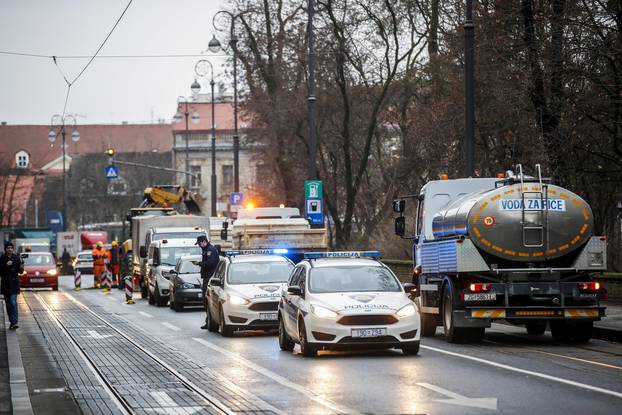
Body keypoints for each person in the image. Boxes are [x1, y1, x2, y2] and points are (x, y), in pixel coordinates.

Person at [193, 235, 219, 330]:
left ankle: (210, 321)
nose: (199, 245)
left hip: (209, 277)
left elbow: (211, 263)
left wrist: (199, 263)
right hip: (208, 277)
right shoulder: (207, 249)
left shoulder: (210, 250)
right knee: (206, 300)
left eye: (199, 243)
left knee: (207, 299)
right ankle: (209, 321)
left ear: (204, 242)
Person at [0, 242, 25, 329]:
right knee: (8, 304)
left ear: (13, 249)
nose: (10, 249)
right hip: (6, 284)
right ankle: (12, 321)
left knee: (13, 302)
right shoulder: (2, 258)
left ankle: (14, 322)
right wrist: (6, 265)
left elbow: (20, 272)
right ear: (5, 249)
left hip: (14, 284)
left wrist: (22, 267)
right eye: (8, 248)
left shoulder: (16, 258)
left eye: (11, 248)